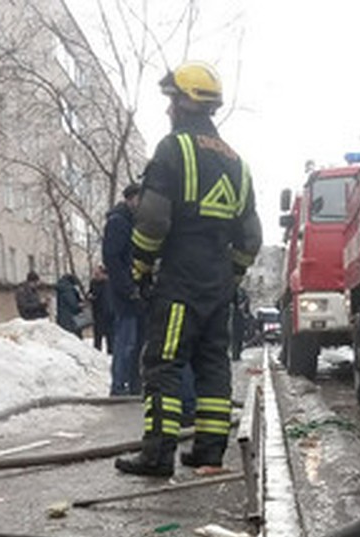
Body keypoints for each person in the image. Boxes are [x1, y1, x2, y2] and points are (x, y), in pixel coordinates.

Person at [114, 61, 262, 477]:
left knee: (163, 362)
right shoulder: (239, 164)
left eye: (172, 100)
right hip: (217, 282)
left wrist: (141, 267)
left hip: (180, 278)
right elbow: (251, 237)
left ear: (185, 103)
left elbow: (154, 220)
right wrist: (229, 277)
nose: (168, 109)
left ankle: (158, 454)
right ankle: (210, 453)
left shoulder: (172, 148)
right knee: (213, 363)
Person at [102, 182, 144, 396]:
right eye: (139, 198)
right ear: (130, 198)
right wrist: (128, 288)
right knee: (126, 343)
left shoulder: (129, 221)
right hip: (124, 294)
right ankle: (119, 386)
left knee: (135, 343)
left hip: (133, 292)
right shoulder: (118, 222)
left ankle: (133, 384)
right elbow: (112, 259)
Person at [86, 265, 112, 354]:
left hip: (109, 312)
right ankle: (97, 352)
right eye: (95, 274)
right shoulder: (93, 283)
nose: (96, 276)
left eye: (98, 274)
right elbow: (90, 293)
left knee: (110, 334)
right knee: (98, 335)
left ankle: (111, 352)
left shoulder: (110, 283)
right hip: (97, 311)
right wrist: (90, 297)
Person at [55, 273, 85, 337]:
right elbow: (73, 305)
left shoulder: (61, 288)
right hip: (71, 320)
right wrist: (81, 305)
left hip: (62, 319)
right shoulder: (68, 290)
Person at [230, 285, 251, 360]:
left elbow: (247, 301)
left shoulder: (242, 291)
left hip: (240, 316)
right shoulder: (232, 289)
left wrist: (245, 310)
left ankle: (237, 354)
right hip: (234, 316)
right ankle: (235, 354)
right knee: (235, 337)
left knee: (239, 336)